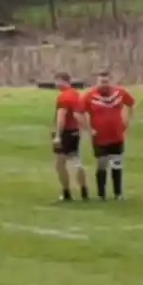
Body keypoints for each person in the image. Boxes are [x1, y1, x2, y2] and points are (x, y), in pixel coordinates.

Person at [79, 71, 137, 200]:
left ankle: (118, 193)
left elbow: (132, 104)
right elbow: (79, 113)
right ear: (97, 82)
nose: (104, 85)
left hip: (117, 135)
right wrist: (88, 129)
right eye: (101, 82)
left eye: (106, 82)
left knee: (117, 163)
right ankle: (101, 194)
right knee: (102, 164)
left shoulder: (119, 93)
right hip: (100, 137)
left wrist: (128, 120)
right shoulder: (89, 96)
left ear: (111, 81)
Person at [51, 72, 88, 201]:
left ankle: (66, 193)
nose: (56, 85)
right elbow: (79, 115)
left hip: (66, 133)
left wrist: (58, 135)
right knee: (77, 162)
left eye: (57, 81)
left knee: (60, 164)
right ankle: (84, 192)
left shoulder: (63, 97)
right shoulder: (76, 94)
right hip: (75, 132)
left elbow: (61, 117)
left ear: (62, 81)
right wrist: (86, 129)